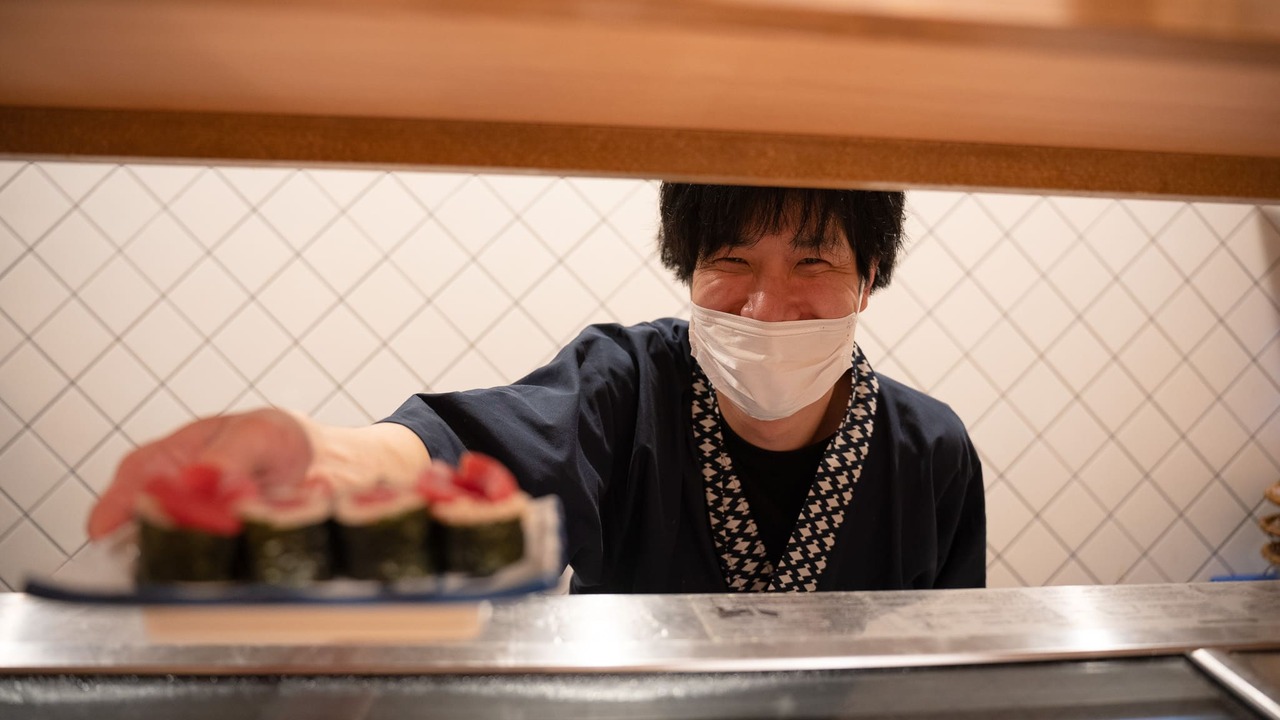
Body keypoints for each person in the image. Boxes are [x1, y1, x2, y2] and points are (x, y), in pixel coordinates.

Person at [88, 183, 986, 594]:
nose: (763, 305)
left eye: (815, 261)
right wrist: (328, 455)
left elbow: (956, 685)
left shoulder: (933, 453)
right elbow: (481, 449)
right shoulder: (627, 384)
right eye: (730, 260)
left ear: (870, 276)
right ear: (687, 269)